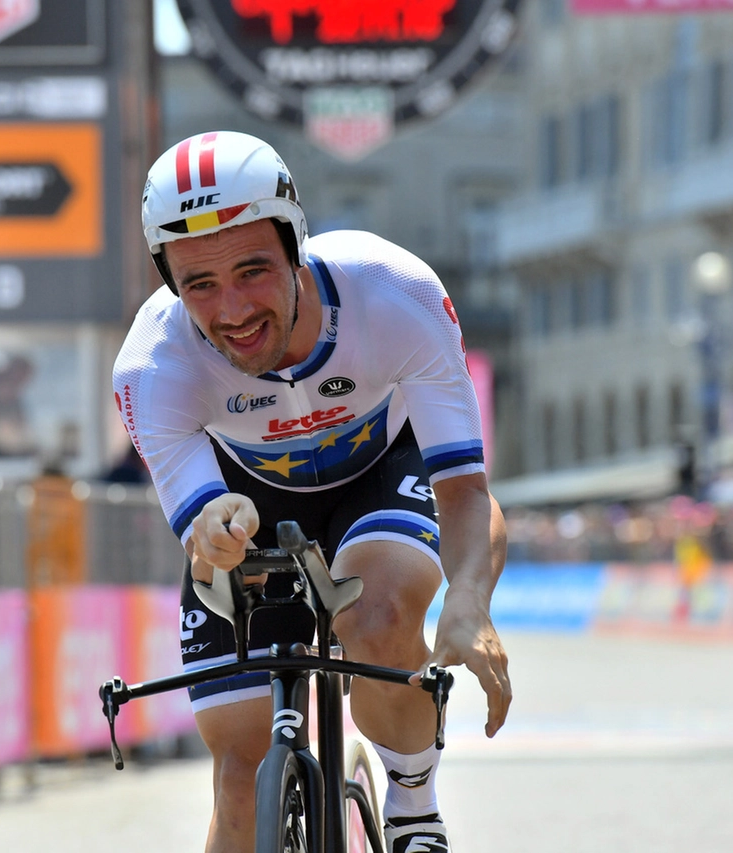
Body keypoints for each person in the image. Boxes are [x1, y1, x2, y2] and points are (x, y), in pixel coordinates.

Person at [113, 131, 511, 853]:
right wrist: (213, 522)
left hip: (380, 468)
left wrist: (470, 599)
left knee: (382, 611)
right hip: (249, 500)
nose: (231, 309)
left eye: (253, 270)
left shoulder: (394, 292)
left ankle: (414, 802)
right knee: (239, 778)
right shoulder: (151, 364)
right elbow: (199, 519)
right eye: (199, 283)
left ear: (296, 243)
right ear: (168, 282)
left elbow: (464, 490)